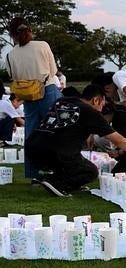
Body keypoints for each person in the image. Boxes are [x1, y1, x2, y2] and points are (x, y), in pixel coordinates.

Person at [24, 85, 126, 197]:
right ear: (96, 100)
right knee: (90, 171)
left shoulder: (62, 101)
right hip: (55, 152)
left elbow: (70, 123)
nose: (101, 110)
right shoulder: (91, 112)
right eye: (102, 104)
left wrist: (89, 134)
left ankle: (54, 178)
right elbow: (119, 139)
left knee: (76, 159)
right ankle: (56, 183)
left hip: (33, 147)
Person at [6, 17, 63, 179]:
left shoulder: (11, 55)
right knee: (55, 131)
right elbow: (53, 70)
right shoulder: (42, 45)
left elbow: (13, 76)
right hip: (48, 90)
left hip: (28, 95)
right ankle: (57, 169)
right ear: (29, 30)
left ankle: (33, 173)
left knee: (31, 134)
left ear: (12, 34)